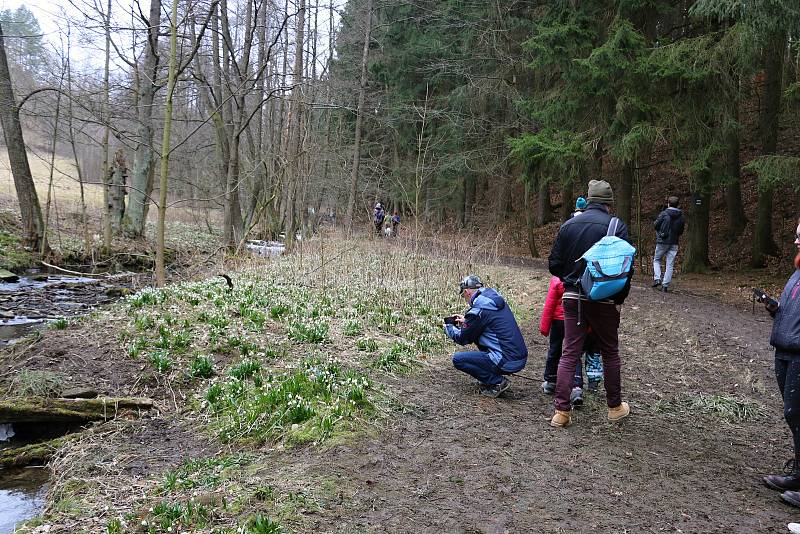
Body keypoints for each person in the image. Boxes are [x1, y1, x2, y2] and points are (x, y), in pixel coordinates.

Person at [547, 179, 632, 427]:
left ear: (589, 199)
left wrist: (572, 280)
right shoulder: (616, 226)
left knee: (570, 351)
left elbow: (554, 264)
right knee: (610, 352)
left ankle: (561, 413)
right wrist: (618, 298)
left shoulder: (569, 226)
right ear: (608, 203)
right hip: (605, 299)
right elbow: (627, 269)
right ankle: (615, 407)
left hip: (573, 298)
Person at [762, 220, 800, 508]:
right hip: (784, 349)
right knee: (792, 414)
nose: (796, 242)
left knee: (798, 414)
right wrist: (777, 309)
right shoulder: (796, 273)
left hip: (798, 352)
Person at [444, 275, 528, 398]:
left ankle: (497, 382)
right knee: (481, 341)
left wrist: (448, 327)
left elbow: (462, 338)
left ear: (467, 292)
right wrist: (467, 321)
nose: (464, 299)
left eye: (463, 296)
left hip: (507, 360)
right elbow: (486, 323)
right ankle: (490, 378)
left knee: (458, 359)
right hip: (518, 356)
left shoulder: (479, 311)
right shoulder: (493, 300)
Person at [539, 275, 604, 406]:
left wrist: (544, 327)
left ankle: (551, 381)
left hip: (558, 322)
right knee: (573, 353)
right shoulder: (585, 278)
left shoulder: (557, 279)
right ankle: (576, 386)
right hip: (576, 321)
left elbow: (550, 304)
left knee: (555, 350)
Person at [652, 196, 685, 292]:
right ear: (678, 205)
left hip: (663, 241)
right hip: (674, 242)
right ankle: (665, 286)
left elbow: (655, 225)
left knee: (657, 260)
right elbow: (681, 231)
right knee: (670, 264)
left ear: (668, 204)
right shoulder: (681, 216)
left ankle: (657, 278)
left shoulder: (664, 214)